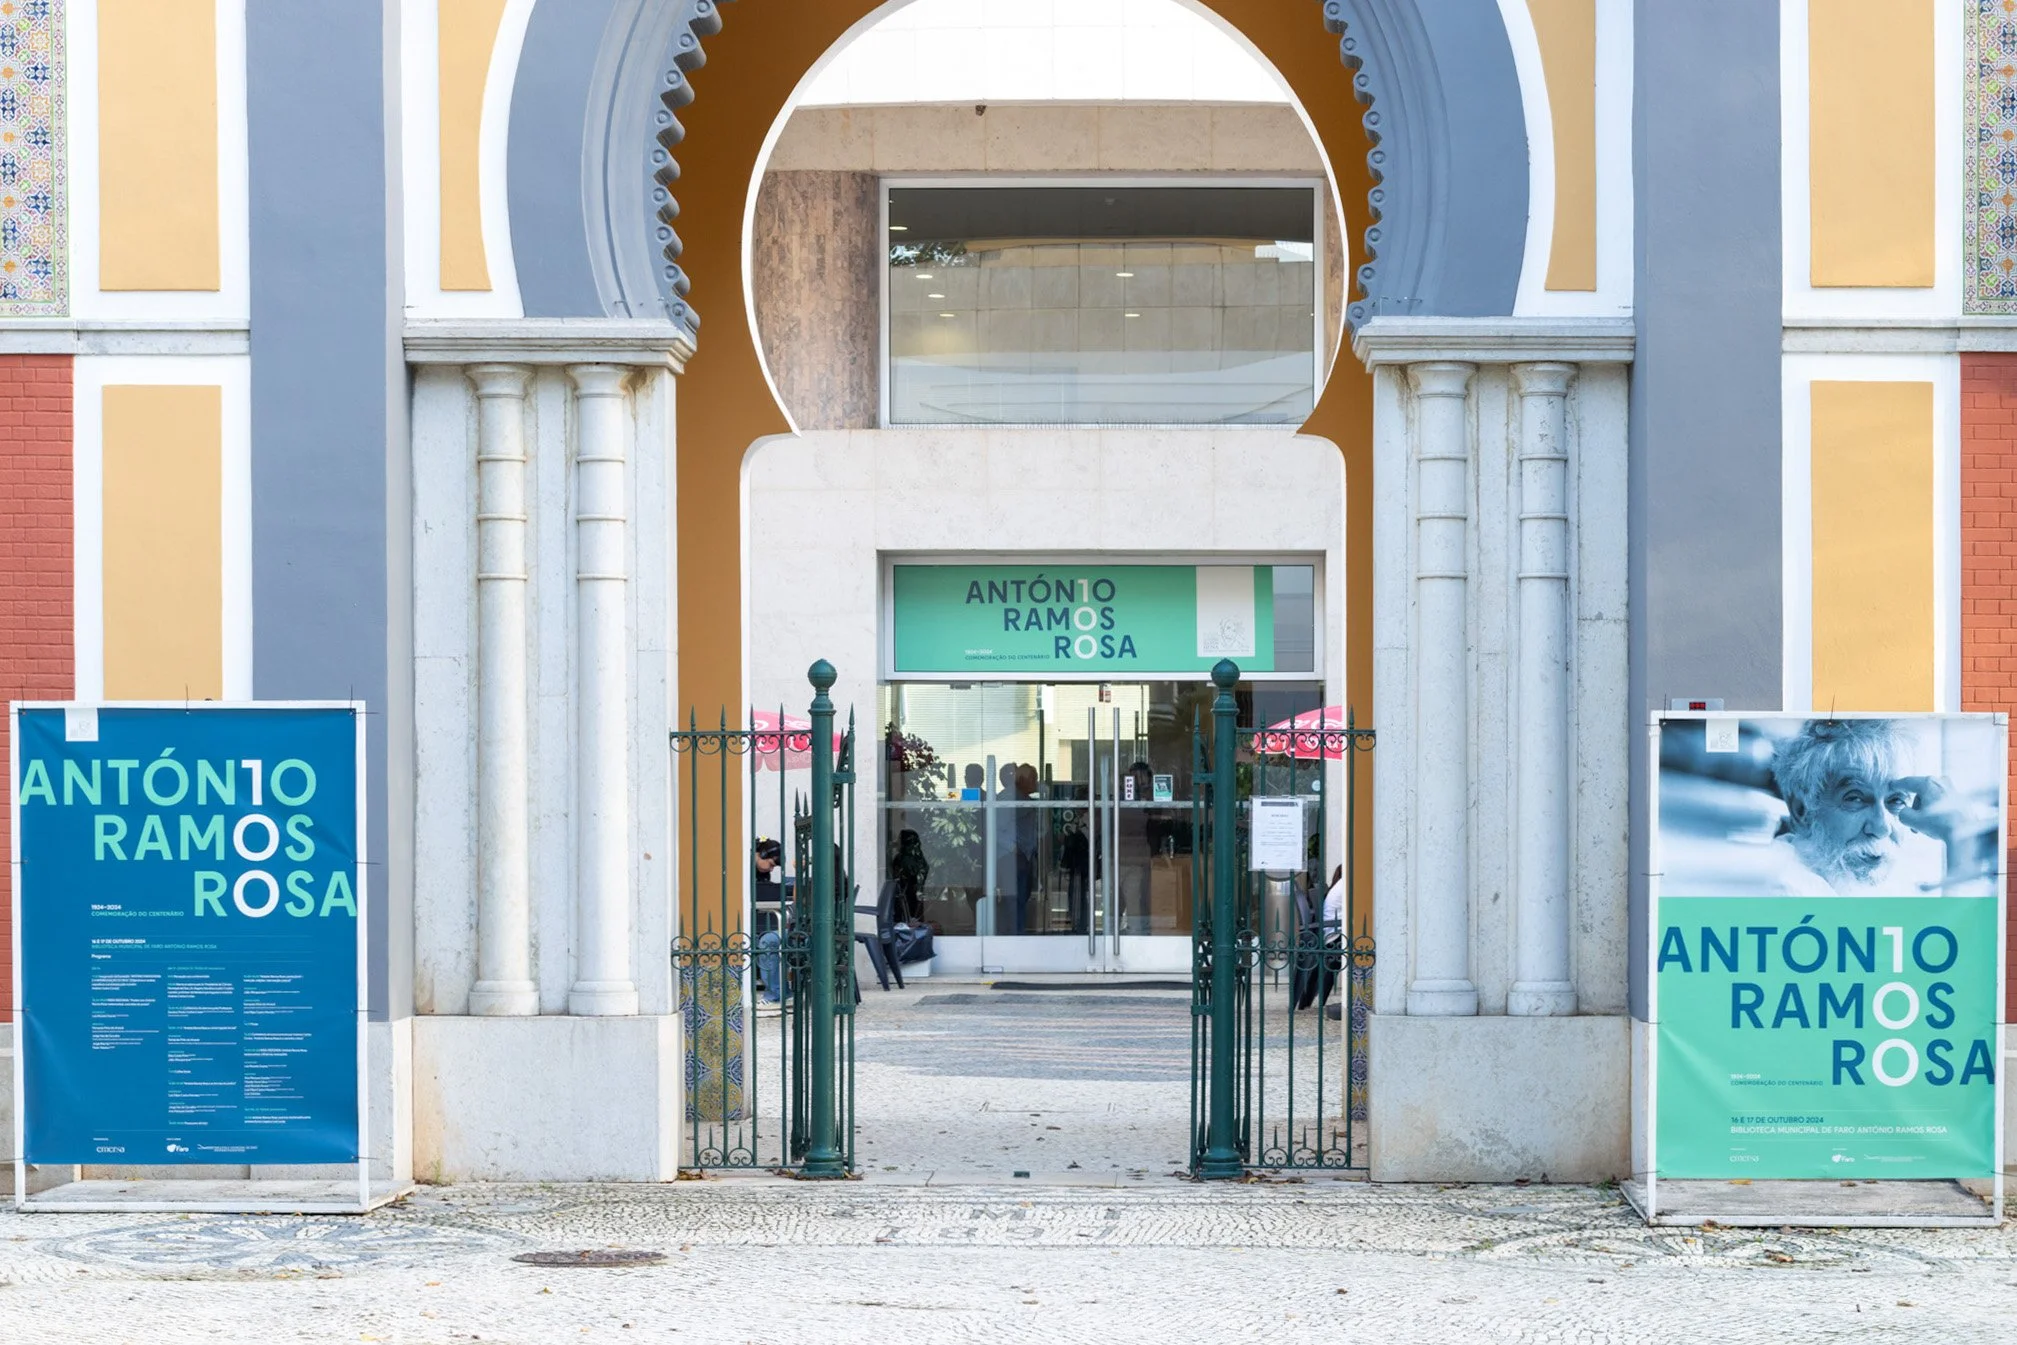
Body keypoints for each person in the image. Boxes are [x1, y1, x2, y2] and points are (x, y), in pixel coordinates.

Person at [1766, 719, 1970, 896]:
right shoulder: (1783, 886)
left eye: (1896, 801)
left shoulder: (1890, 883)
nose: (1882, 828)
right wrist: (1961, 839)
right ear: (1802, 811)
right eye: (1855, 799)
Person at [751, 837, 787, 1014]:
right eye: (771, 864)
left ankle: (778, 993)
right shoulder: (747, 870)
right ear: (761, 854)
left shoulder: (762, 873)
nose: (771, 869)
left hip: (762, 921)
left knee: (768, 941)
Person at [890, 828, 930, 924]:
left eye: (899, 839)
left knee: (907, 919)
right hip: (915, 893)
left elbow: (896, 876)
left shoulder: (903, 859)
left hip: (906, 894)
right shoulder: (919, 857)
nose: (897, 842)